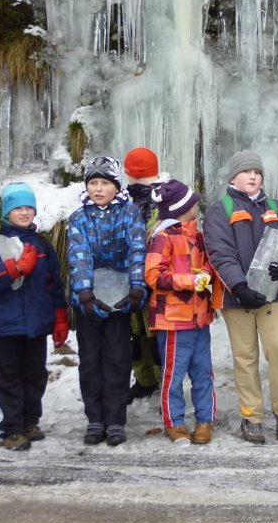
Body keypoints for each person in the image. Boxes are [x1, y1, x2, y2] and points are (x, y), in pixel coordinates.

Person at [204, 150, 278, 444]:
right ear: (233, 176)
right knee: (245, 356)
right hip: (236, 298)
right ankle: (251, 416)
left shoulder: (274, 206)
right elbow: (220, 253)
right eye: (247, 171)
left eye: (257, 172)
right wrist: (239, 287)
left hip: (273, 294)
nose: (253, 176)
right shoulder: (220, 209)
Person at [0, 182, 68, 451]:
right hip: (3, 325)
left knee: (35, 374)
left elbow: (54, 282)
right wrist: (14, 268)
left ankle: (29, 421)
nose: (25, 213)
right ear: (7, 213)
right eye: (18, 208)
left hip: (36, 324)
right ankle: (10, 428)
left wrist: (60, 315)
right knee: (8, 376)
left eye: (29, 207)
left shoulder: (42, 245)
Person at [66, 156, 147, 447]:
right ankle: (95, 419)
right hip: (88, 302)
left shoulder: (129, 214)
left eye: (104, 183)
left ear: (116, 186)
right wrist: (85, 293)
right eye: (93, 183)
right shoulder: (79, 218)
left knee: (117, 358)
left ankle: (115, 420)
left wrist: (137, 287)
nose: (98, 189)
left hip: (120, 299)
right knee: (90, 361)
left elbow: (137, 249)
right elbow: (79, 256)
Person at [144, 179, 217, 444]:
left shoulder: (197, 235)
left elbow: (208, 263)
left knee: (203, 371)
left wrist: (206, 274)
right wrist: (190, 281)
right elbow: (153, 275)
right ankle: (173, 421)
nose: (197, 204)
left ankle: (205, 419)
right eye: (192, 202)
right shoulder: (163, 237)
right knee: (173, 374)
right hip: (173, 319)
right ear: (181, 207)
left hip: (200, 318)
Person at [123, 146, 166, 401]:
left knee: (147, 333)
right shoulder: (139, 201)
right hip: (144, 276)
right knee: (142, 333)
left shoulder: (154, 202)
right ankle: (146, 380)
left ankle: (156, 380)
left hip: (147, 277)